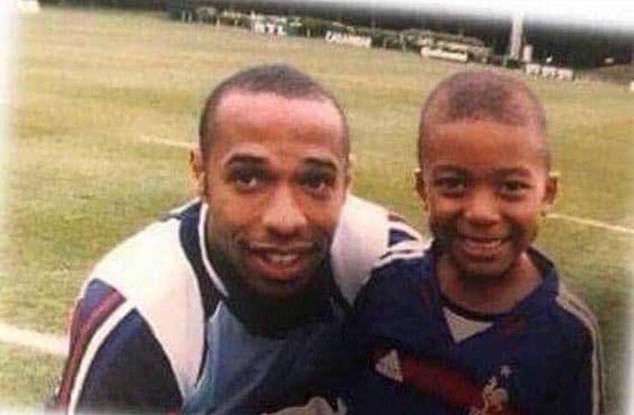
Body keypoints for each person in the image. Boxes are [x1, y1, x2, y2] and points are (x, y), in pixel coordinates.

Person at [50, 64, 424, 414]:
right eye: (248, 179)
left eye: (315, 182)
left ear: (347, 181)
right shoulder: (142, 315)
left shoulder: (387, 263)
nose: (285, 220)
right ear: (201, 174)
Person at [342, 71, 604, 414]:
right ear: (424, 190)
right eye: (453, 184)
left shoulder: (569, 335)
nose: (481, 213)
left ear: (547, 194)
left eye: (511, 187)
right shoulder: (388, 278)